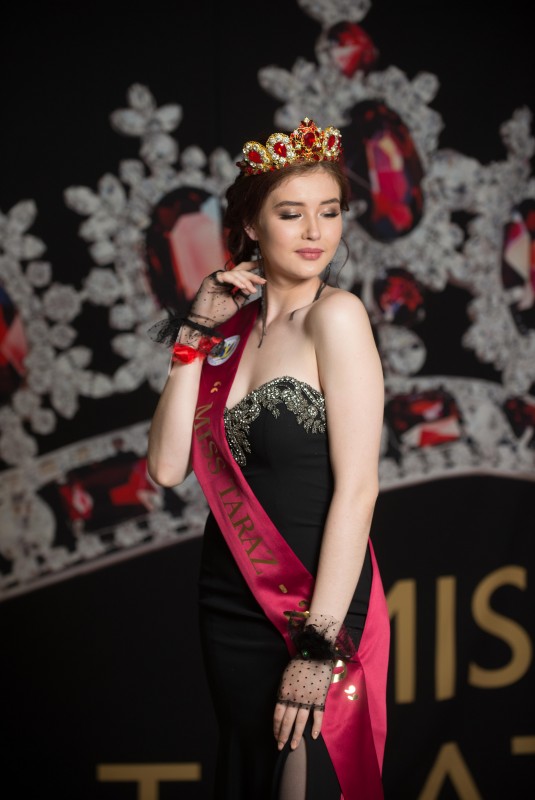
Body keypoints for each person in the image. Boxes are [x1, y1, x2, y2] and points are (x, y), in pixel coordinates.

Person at [147, 117, 390, 800]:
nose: (315, 232)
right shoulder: (226, 333)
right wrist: (195, 332)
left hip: (315, 600)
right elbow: (166, 468)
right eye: (291, 213)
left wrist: (317, 645)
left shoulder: (336, 316)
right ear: (252, 224)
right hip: (230, 598)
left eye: (329, 212)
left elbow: (359, 490)